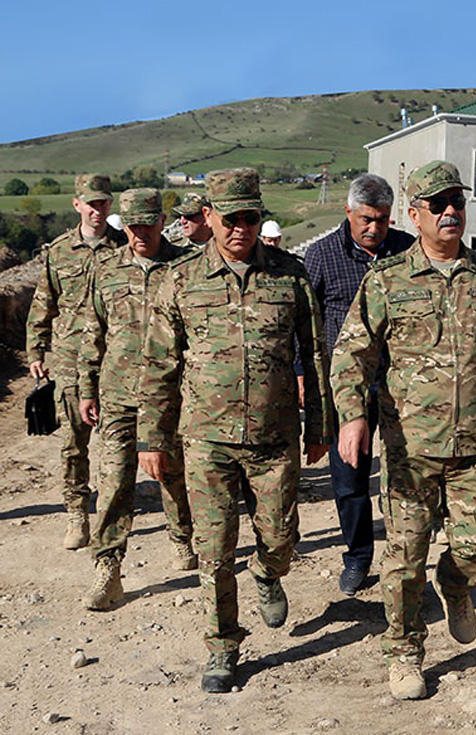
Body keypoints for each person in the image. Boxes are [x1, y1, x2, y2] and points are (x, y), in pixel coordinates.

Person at [330, 160, 476, 700]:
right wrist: (352, 416)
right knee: (403, 560)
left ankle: (456, 583)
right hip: (410, 451)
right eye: (437, 204)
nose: (449, 212)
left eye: (456, 203)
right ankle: (405, 653)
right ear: (413, 215)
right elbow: (351, 357)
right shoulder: (387, 281)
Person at [137, 168, 332, 693]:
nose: (241, 228)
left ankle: (268, 574)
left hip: (274, 440)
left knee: (281, 539)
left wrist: (320, 425)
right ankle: (222, 647)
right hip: (206, 441)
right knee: (215, 551)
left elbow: (312, 357)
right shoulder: (178, 280)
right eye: (230, 218)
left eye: (250, 217)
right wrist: (152, 439)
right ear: (209, 218)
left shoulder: (289, 276)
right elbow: (158, 366)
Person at [77, 189, 196, 610]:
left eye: (148, 223)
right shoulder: (107, 269)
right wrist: (87, 388)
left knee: (172, 474)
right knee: (114, 481)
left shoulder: (185, 266)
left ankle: (183, 536)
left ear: (162, 220)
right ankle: (107, 566)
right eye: (131, 226)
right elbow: (94, 333)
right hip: (119, 395)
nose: (140, 233)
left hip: (172, 396)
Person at [300, 173, 414, 596]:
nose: (374, 228)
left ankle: (411, 545)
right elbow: (305, 323)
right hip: (348, 386)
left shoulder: (406, 250)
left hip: (405, 383)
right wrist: (303, 376)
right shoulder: (322, 256)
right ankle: (358, 554)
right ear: (348, 212)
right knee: (350, 477)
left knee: (415, 467)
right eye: (366, 218)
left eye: (383, 220)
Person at [26, 174, 128, 549]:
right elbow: (42, 305)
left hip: (116, 359)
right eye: (91, 203)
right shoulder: (59, 251)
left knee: (116, 441)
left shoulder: (124, 248)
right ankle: (76, 512)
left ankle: (110, 511)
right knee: (73, 442)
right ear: (77, 204)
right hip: (70, 359)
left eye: (104, 203)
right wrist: (36, 352)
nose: (98, 210)